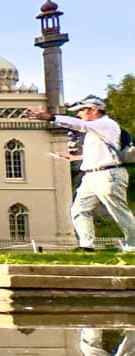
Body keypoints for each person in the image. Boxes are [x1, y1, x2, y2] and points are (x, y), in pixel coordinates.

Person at [25, 96, 135, 252]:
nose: (79, 114)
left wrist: (50, 117)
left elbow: (79, 125)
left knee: (117, 210)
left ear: (95, 110)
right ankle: (87, 246)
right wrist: (74, 157)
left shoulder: (105, 124)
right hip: (91, 176)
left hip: (108, 175)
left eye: (82, 110)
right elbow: (101, 153)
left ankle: (133, 244)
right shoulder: (95, 130)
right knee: (79, 209)